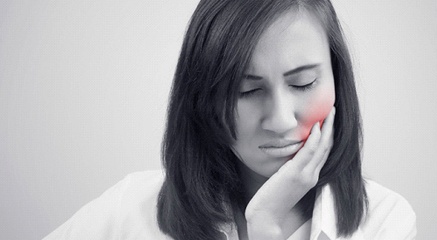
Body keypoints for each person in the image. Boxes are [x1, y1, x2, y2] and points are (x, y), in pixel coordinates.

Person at [44, 0, 416, 239]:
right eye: (247, 91)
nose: (282, 120)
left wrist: (265, 225)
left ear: (337, 79)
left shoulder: (384, 221)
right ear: (203, 97)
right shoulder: (130, 209)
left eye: (303, 83)